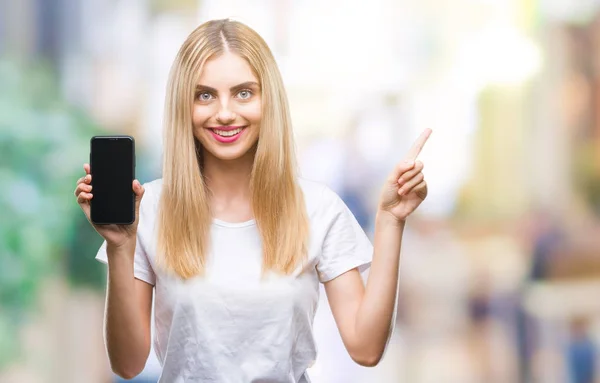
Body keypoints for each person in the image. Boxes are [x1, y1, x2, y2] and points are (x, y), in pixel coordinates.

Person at [73, 19, 431, 383]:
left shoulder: (318, 208)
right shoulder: (147, 209)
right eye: (205, 95)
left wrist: (390, 219)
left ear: (267, 100)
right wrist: (120, 246)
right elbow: (128, 364)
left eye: (244, 93)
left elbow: (366, 348)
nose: (225, 113)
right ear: (184, 104)